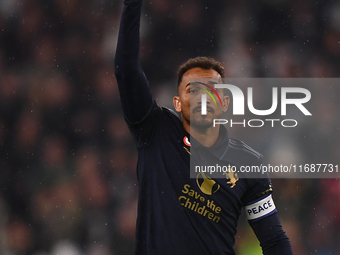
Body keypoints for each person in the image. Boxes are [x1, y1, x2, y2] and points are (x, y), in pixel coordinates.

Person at [114, 0, 294, 254]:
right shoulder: (156, 131)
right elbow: (127, 70)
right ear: (177, 103)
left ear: (225, 102)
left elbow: (274, 240)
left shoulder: (248, 163)